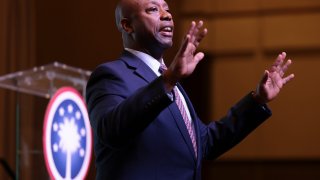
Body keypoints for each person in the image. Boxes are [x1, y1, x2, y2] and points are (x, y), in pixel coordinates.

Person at [85, 0, 295, 179]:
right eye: (153, 9)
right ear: (127, 25)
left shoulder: (167, 79)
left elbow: (204, 143)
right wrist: (169, 79)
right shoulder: (111, 75)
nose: (167, 15)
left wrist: (257, 100)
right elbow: (110, 131)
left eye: (167, 8)